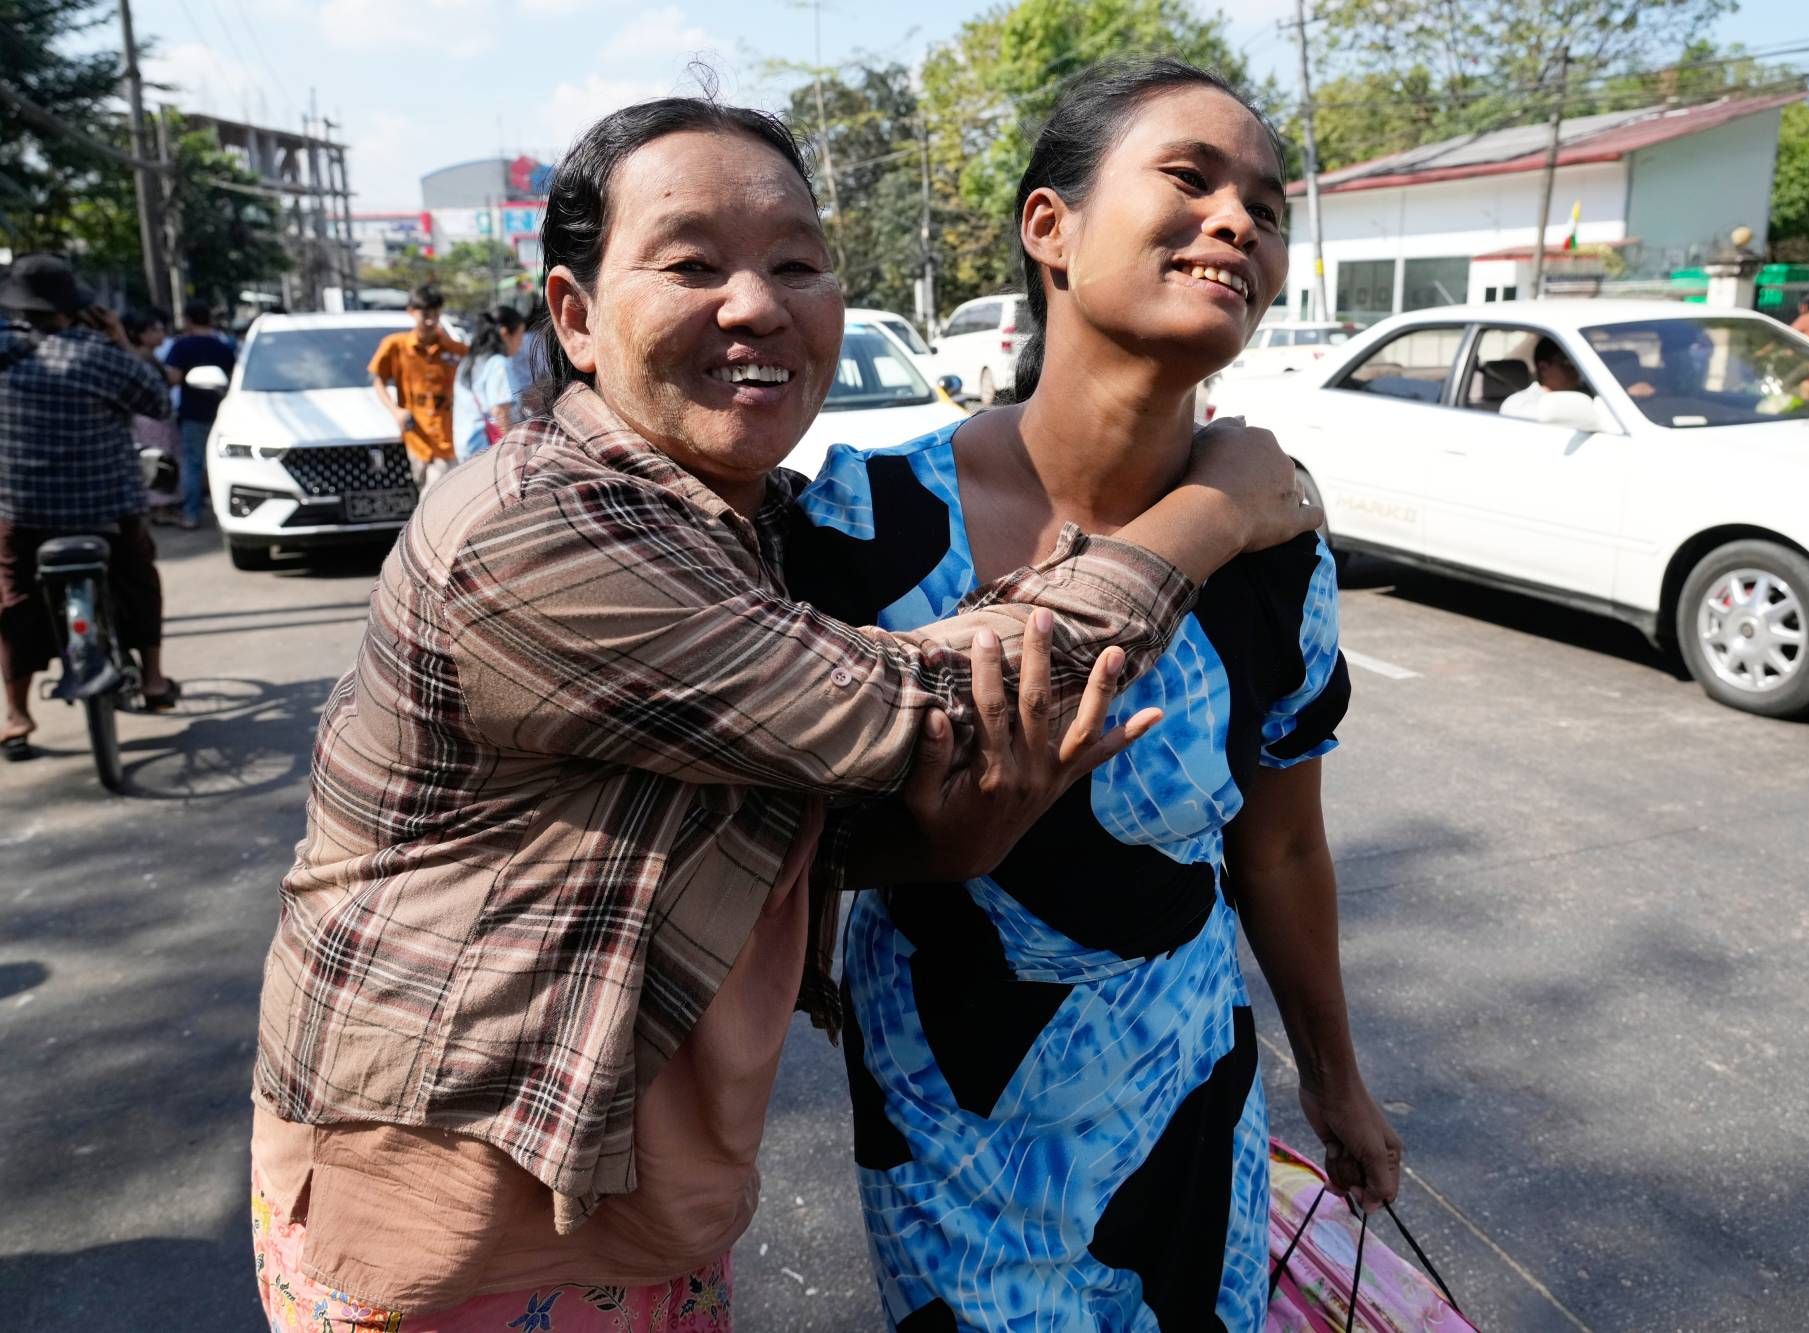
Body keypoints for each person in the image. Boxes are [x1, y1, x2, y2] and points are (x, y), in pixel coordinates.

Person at [248, 96, 1316, 1333]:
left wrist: (928, 845)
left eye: (797, 263)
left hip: (653, 1198)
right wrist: (1213, 510)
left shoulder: (752, 525)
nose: (755, 304)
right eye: (691, 264)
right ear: (574, 317)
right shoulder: (546, 528)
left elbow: (734, 811)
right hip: (467, 1215)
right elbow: (929, 707)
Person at [788, 58, 1397, 1329]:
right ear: (1047, 227)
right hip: (950, 1117)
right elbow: (766, 836)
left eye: (1266, 208)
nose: (1236, 221)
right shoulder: (860, 527)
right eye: (1189, 179)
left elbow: (1281, 847)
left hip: (1187, 1098)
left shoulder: (1274, 556)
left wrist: (1334, 1078)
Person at [0, 255, 178, 759]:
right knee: (138, 576)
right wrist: (120, 340)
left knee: (14, 600)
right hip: (108, 511)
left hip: (23, 511)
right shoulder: (101, 355)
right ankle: (153, 678)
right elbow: (158, 403)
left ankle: (16, 716)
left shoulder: (5, 354)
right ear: (72, 307)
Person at [368, 283, 466, 489]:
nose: (431, 321)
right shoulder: (395, 346)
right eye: (425, 315)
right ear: (411, 312)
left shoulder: (456, 350)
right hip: (416, 437)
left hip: (450, 438)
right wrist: (396, 411)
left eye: (436, 314)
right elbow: (378, 380)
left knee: (435, 492)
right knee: (426, 490)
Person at [160, 298, 235, 529]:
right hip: (223, 414)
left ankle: (191, 514)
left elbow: (173, 378)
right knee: (225, 464)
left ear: (188, 320)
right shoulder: (223, 346)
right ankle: (230, 513)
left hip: (193, 415)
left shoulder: (182, 346)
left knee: (192, 465)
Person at [124, 308, 181, 516]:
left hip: (150, 417)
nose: (161, 334)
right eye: (155, 330)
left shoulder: (145, 356)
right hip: (150, 419)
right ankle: (160, 508)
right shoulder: (142, 357)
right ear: (141, 334)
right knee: (157, 461)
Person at [450, 306, 526, 460]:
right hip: (486, 449)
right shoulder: (498, 363)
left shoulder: (468, 361)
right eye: (520, 335)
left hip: (465, 446)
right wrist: (513, 452)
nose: (521, 343)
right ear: (505, 333)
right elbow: (500, 412)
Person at [1499, 335, 1583, 419]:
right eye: (1567, 363)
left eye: (1576, 363)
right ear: (1543, 368)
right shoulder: (1520, 404)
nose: (1575, 369)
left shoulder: (1583, 396)